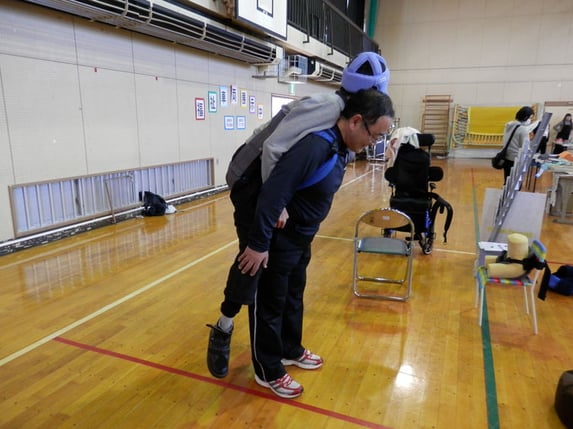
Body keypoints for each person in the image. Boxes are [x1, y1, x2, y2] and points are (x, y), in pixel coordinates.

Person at [206, 52, 391, 381]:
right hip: (250, 181)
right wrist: (276, 207)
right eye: (374, 135)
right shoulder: (328, 109)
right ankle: (224, 325)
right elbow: (274, 149)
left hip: (274, 193)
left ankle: (287, 347)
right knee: (253, 265)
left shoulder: (342, 124)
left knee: (285, 282)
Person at [242, 88, 394, 398]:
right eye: (374, 135)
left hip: (301, 237)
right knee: (270, 303)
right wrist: (258, 245)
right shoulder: (315, 146)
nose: (373, 143)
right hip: (279, 240)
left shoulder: (340, 148)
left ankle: (289, 348)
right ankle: (267, 368)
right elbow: (272, 193)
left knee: (293, 296)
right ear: (355, 121)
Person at [502, 106, 534, 184]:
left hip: (507, 157)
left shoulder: (509, 125)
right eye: (530, 118)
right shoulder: (522, 129)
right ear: (525, 117)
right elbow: (525, 146)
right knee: (515, 183)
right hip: (516, 159)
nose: (530, 120)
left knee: (507, 182)